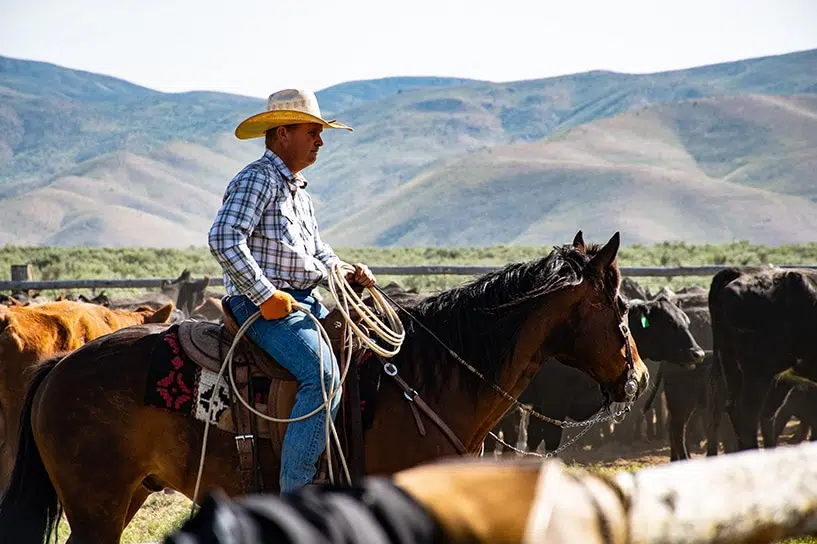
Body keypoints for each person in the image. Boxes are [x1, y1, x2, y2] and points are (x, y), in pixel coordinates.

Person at [208, 88, 376, 494]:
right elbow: (224, 237)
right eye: (312, 131)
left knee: (366, 354)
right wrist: (265, 295)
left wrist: (345, 270)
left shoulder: (299, 190)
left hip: (302, 302)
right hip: (258, 306)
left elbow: (317, 250)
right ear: (282, 133)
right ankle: (295, 498)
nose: (320, 140)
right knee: (321, 377)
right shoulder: (257, 179)